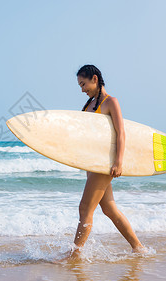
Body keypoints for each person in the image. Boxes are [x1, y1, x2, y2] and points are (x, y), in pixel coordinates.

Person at [61, 65, 145, 261]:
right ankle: (138, 247)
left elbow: (120, 133)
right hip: (93, 164)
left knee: (84, 208)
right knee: (108, 209)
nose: (82, 89)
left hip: (105, 164)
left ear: (95, 79)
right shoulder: (88, 105)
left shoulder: (110, 102)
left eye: (83, 83)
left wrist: (119, 162)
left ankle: (75, 253)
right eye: (80, 85)